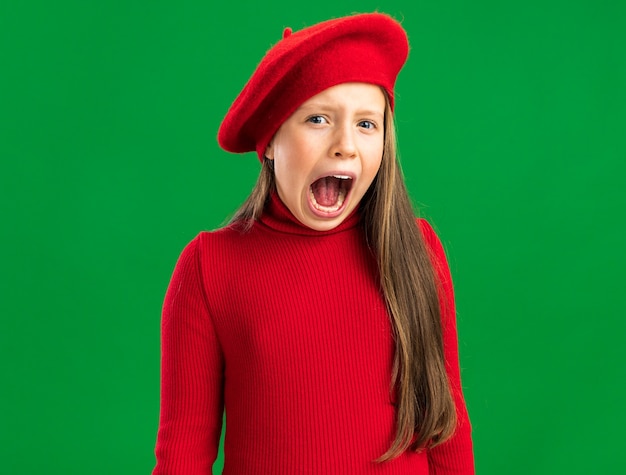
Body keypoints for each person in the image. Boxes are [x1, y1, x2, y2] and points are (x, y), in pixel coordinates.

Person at [152, 12, 474, 474]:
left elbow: (448, 430)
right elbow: (182, 458)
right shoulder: (210, 266)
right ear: (270, 140)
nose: (345, 144)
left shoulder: (418, 250)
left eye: (367, 124)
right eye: (318, 118)